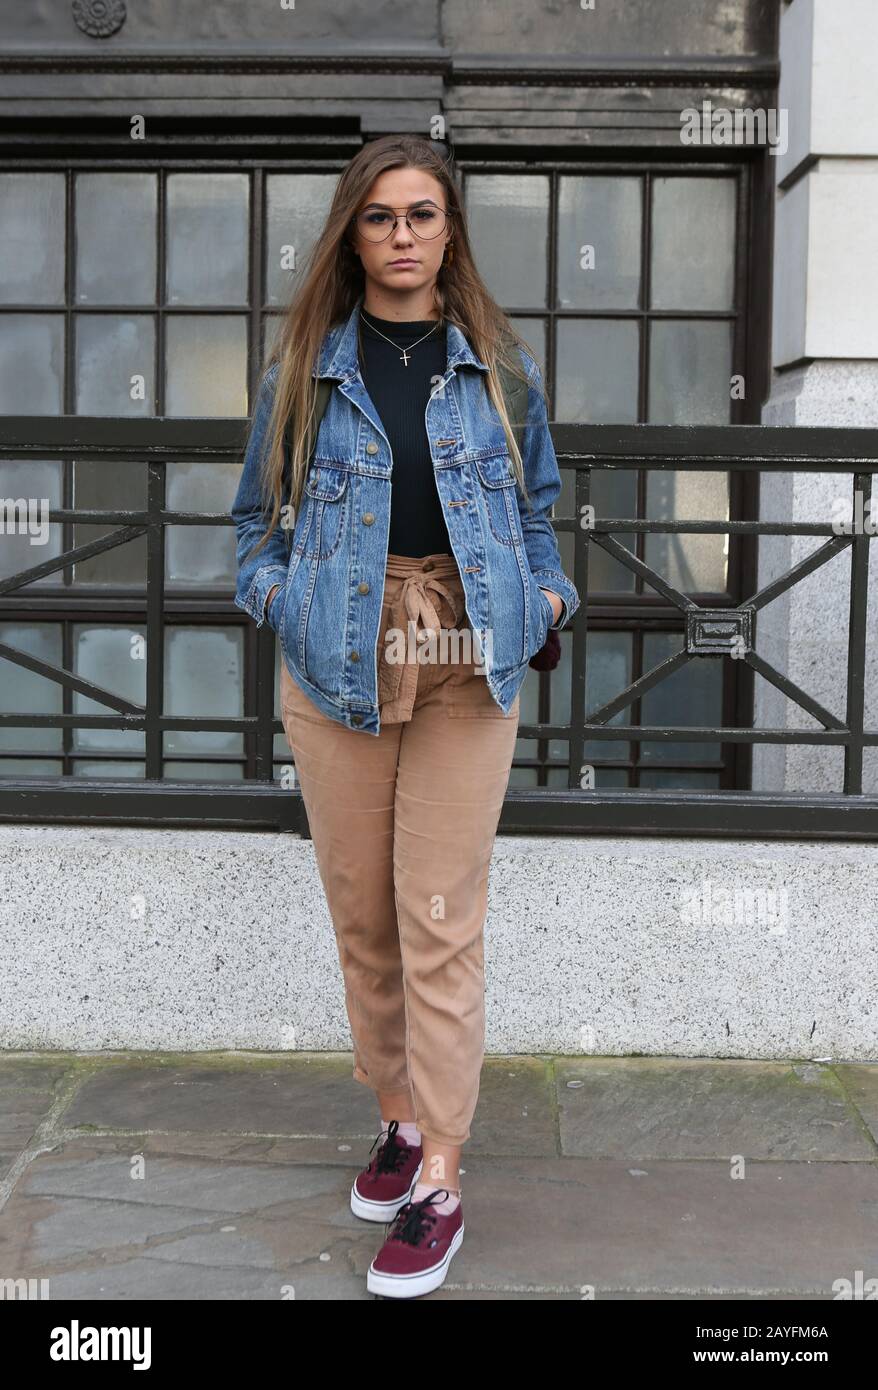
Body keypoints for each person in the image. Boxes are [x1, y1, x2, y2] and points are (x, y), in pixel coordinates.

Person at [231, 133, 579, 1299]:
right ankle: (395, 1116)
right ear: (352, 232)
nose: (401, 236)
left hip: (464, 658)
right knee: (364, 917)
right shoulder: (301, 371)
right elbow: (251, 533)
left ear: (448, 232)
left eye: (421, 215)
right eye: (379, 217)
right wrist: (281, 598)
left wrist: (545, 598)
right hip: (337, 657)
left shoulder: (495, 365)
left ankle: (439, 1173)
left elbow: (537, 512)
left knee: (437, 915)